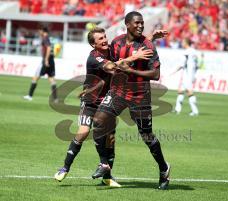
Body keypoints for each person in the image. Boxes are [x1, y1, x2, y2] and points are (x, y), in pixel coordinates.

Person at [54, 27, 167, 187]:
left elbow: (133, 46)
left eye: (105, 36)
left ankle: (107, 176)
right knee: (84, 132)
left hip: (107, 100)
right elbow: (113, 67)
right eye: (100, 39)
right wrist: (134, 57)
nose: (105, 40)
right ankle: (65, 167)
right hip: (90, 101)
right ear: (93, 45)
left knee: (110, 139)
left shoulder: (111, 51)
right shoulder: (94, 58)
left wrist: (152, 38)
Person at [91, 11, 170, 190]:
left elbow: (156, 74)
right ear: (127, 24)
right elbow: (111, 64)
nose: (141, 25)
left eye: (142, 23)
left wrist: (131, 71)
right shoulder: (116, 42)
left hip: (139, 95)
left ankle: (164, 169)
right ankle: (104, 164)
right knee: (100, 121)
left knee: (147, 136)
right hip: (118, 92)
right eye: (137, 23)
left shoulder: (148, 45)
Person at [23, 27, 57, 102]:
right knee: (51, 79)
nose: (39, 32)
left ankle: (30, 96)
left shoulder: (45, 38)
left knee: (35, 78)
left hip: (45, 60)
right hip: (51, 60)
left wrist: (46, 60)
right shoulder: (50, 38)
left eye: (39, 31)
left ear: (42, 31)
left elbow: (48, 48)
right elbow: (52, 49)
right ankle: (55, 98)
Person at [173, 38, 199, 116]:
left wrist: (175, 71)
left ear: (186, 43)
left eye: (183, 42)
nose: (182, 43)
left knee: (189, 92)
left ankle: (195, 111)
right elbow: (197, 64)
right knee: (180, 91)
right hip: (191, 74)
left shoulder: (186, 52)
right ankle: (177, 110)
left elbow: (182, 64)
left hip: (187, 75)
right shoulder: (194, 51)